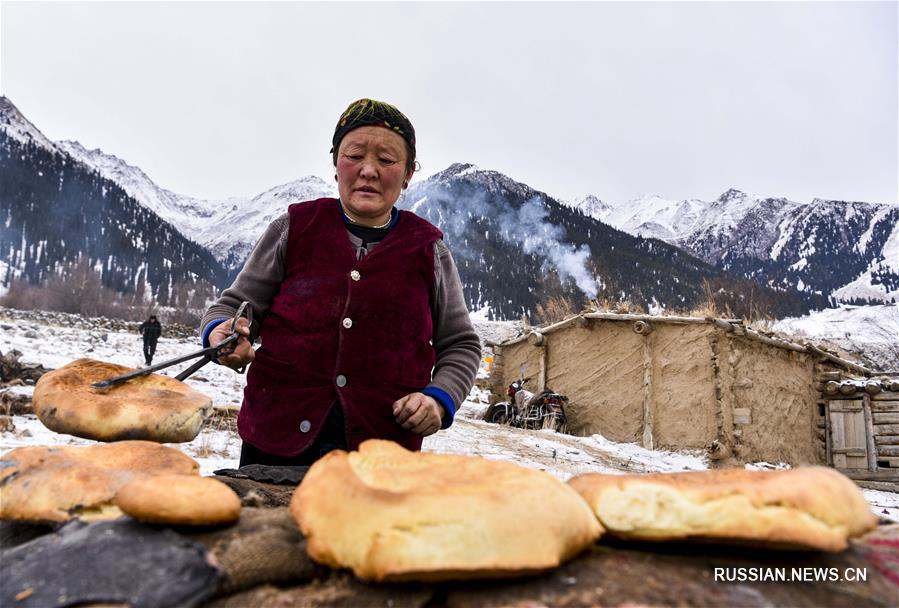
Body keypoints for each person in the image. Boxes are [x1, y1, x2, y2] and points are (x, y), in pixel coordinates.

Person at [201, 98, 482, 467]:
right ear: (336, 164)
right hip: (275, 443)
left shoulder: (429, 250)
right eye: (355, 155)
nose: (368, 170)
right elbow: (232, 308)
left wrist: (439, 399)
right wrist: (222, 333)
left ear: (409, 173)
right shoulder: (293, 229)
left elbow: (460, 344)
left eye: (386, 160)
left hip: (382, 453)